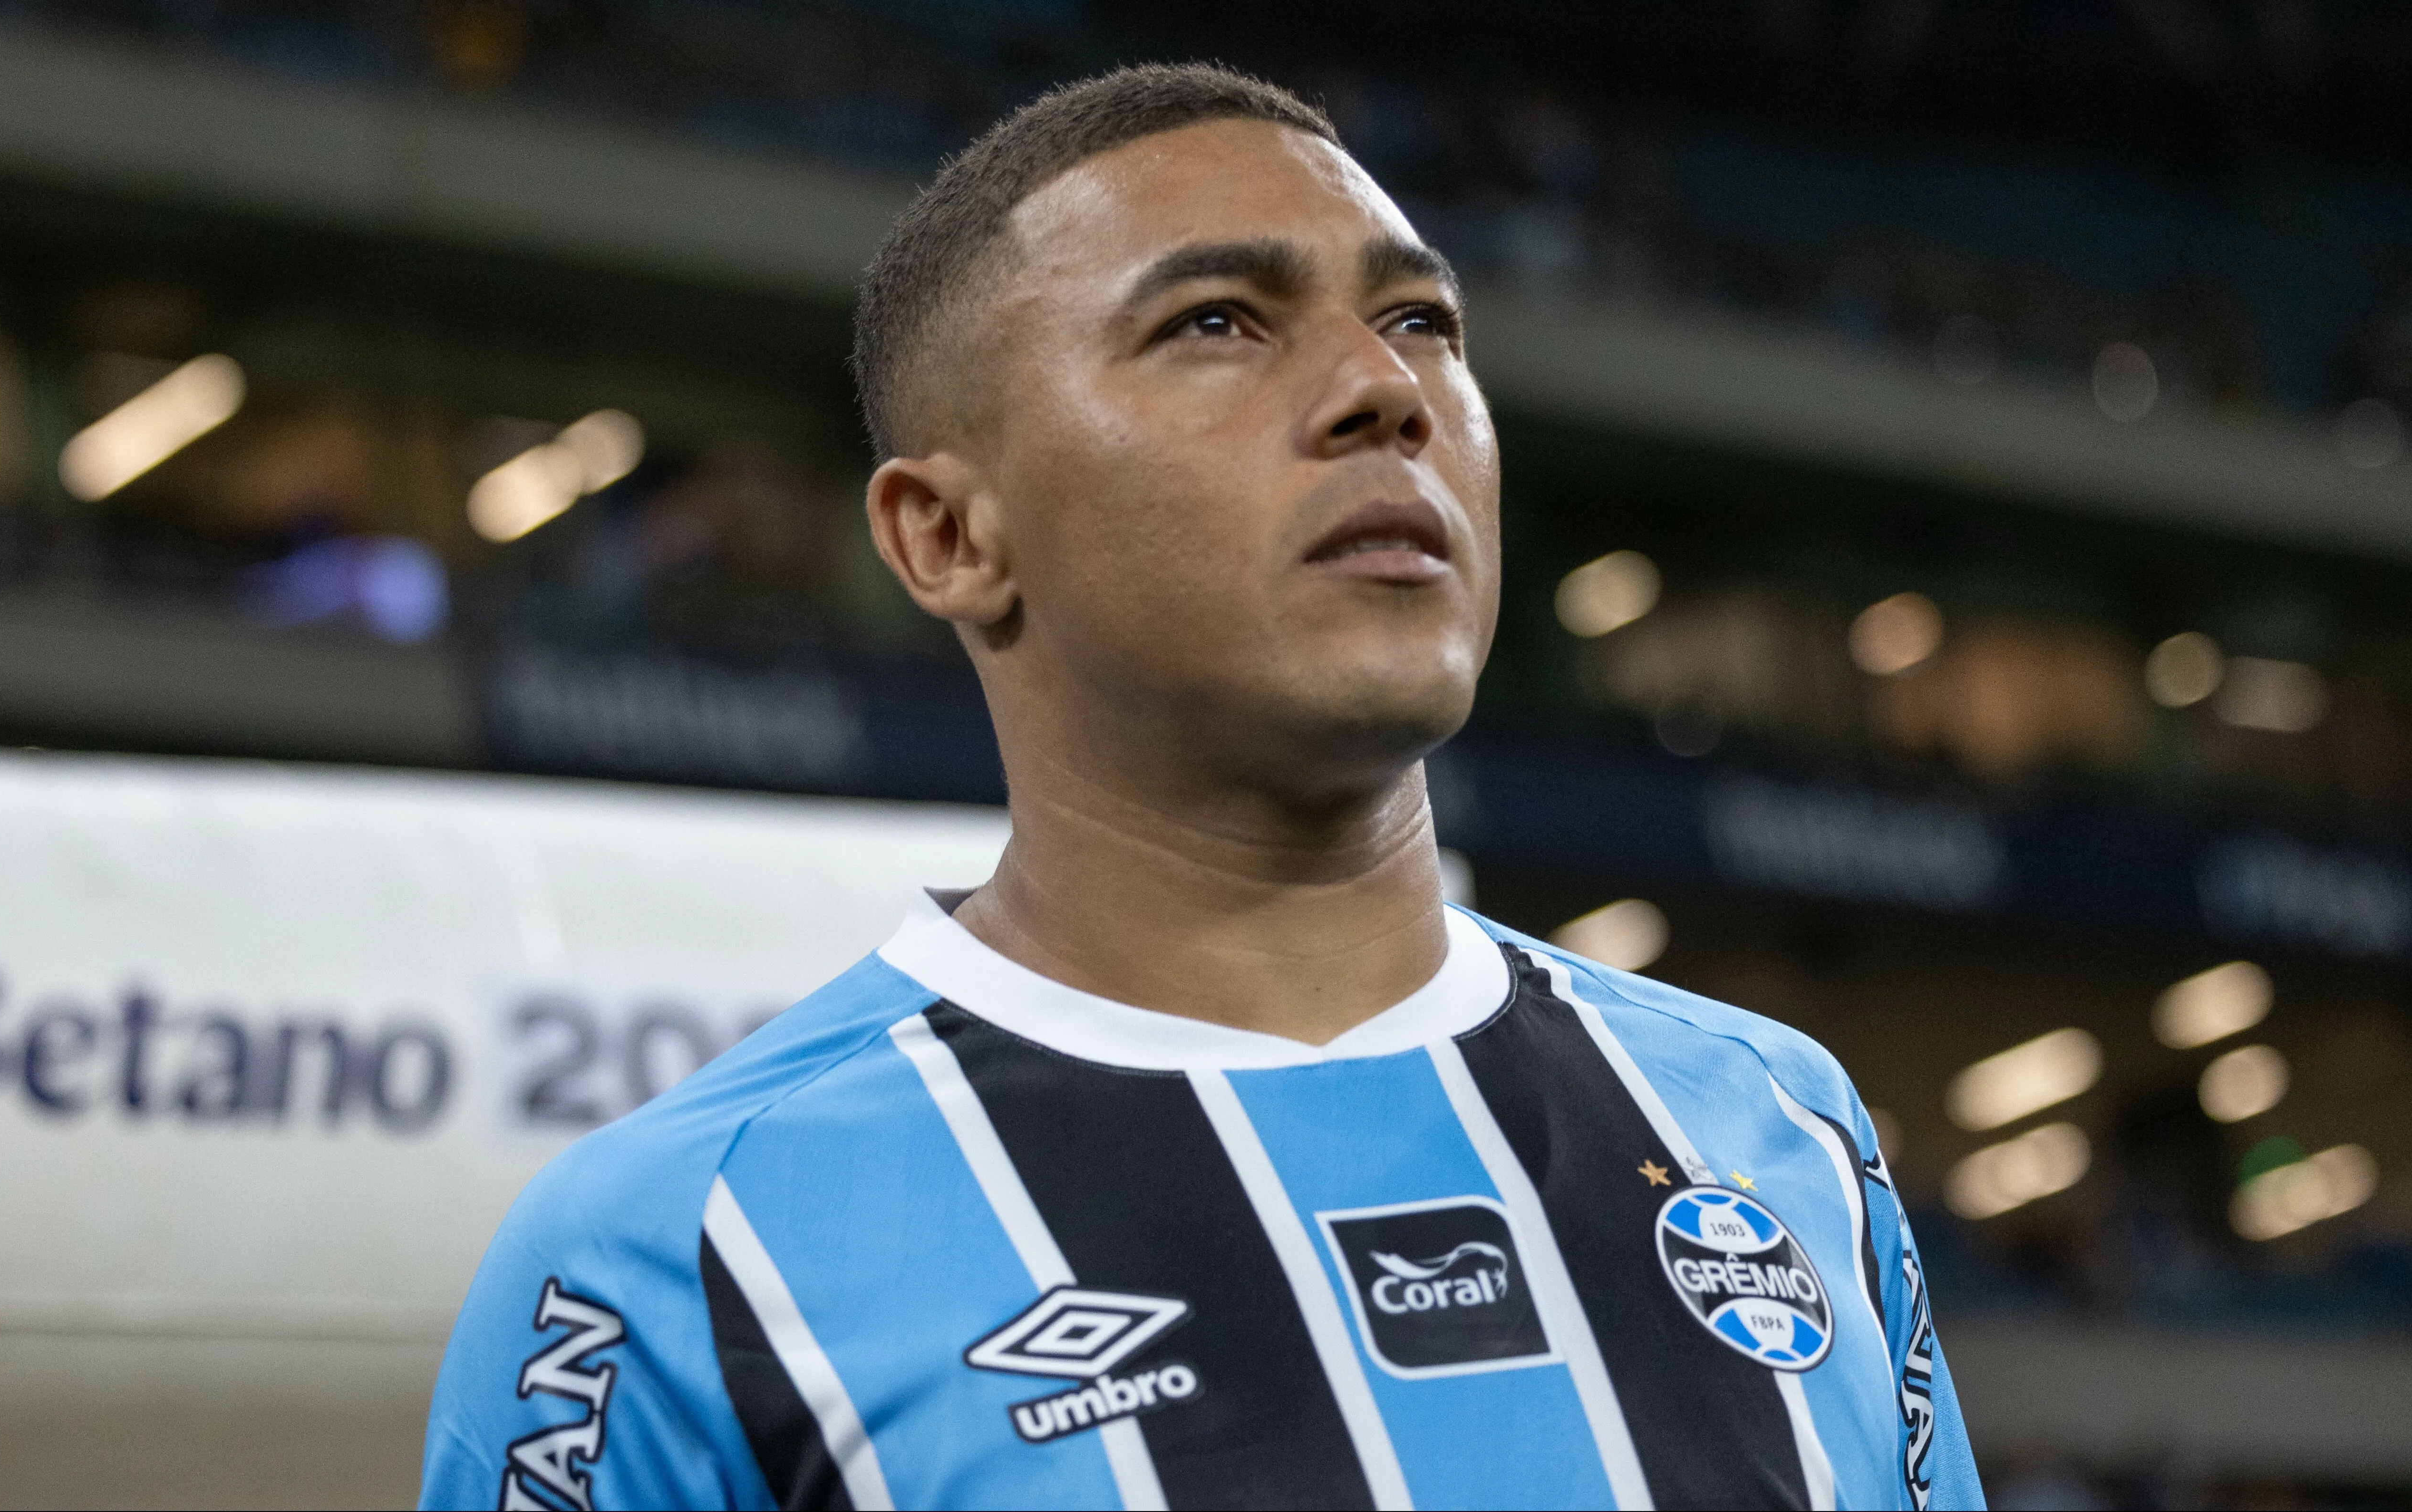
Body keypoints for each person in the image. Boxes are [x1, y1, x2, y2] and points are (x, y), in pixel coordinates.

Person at [421, 63, 1982, 1512]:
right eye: (1219, 323)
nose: (1385, 392)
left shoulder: (1779, 1127)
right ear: (948, 538)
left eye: (1423, 322)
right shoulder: (664, 1260)